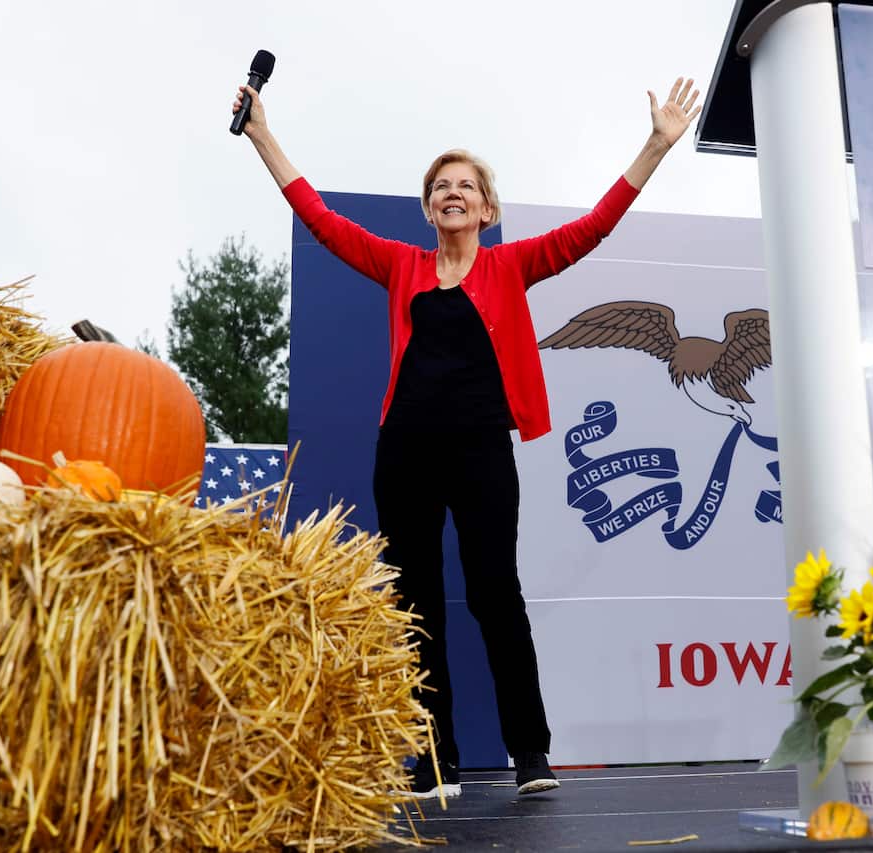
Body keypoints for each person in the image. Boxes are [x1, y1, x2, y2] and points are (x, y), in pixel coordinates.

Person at [232, 75, 702, 800]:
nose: (452, 193)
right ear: (429, 208)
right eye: (440, 186)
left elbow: (595, 226)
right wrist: (262, 133)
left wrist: (656, 146)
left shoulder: (511, 265)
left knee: (493, 595)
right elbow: (319, 219)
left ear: (487, 207)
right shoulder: (400, 265)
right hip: (406, 455)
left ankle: (531, 755)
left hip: (482, 450)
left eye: (466, 185)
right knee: (413, 603)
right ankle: (433, 759)